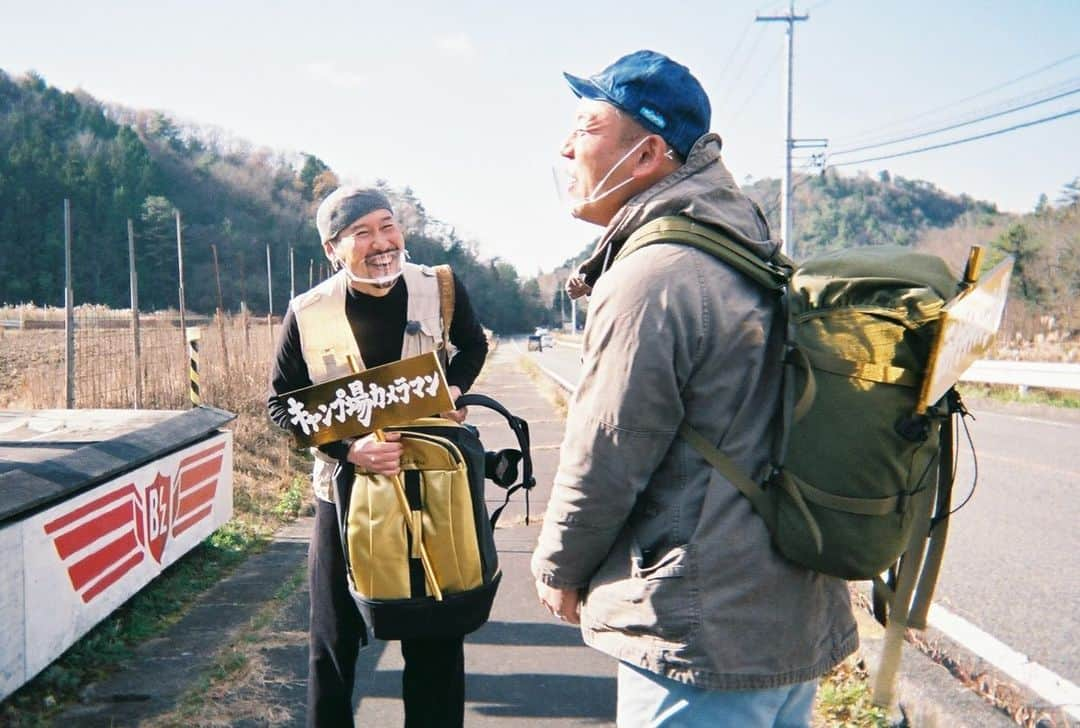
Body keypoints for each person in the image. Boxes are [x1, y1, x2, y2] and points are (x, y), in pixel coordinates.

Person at [531, 50, 857, 727]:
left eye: (587, 127)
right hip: (783, 609)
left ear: (647, 154)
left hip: (699, 629)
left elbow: (609, 447)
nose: (564, 148)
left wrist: (560, 567)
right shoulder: (743, 242)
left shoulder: (656, 271)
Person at [267, 186, 489, 727]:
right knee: (333, 640)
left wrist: (453, 389)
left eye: (388, 226)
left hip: (432, 485)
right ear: (333, 248)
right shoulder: (308, 311)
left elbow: (473, 346)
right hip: (342, 492)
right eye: (361, 233)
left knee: (434, 634)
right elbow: (282, 406)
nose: (381, 243)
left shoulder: (439, 287)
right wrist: (349, 448)